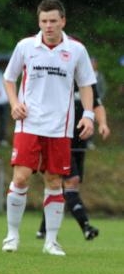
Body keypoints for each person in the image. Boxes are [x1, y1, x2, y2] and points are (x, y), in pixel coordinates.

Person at [1, 0, 96, 256]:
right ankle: (12, 236)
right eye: (44, 21)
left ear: (63, 21)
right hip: (28, 124)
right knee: (20, 177)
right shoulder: (25, 46)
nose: (49, 26)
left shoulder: (76, 50)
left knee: (54, 181)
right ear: (39, 22)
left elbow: (86, 84)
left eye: (53, 21)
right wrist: (14, 103)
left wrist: (88, 115)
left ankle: (51, 241)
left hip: (59, 127)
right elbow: (9, 78)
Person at [36, 82, 110, 240]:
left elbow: (96, 104)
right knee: (71, 182)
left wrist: (102, 123)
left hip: (80, 144)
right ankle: (86, 226)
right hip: (61, 141)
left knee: (61, 187)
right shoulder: (59, 76)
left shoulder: (87, 82)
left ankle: (43, 229)